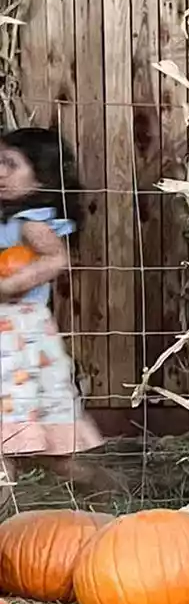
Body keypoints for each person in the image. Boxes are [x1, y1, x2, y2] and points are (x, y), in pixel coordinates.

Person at [0, 127, 107, 488]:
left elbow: (56, 260)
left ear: (42, 175)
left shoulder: (32, 224)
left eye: (10, 164)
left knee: (45, 453)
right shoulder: (10, 221)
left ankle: (110, 496)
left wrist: (8, 286)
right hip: (11, 339)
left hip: (19, 341)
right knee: (40, 451)